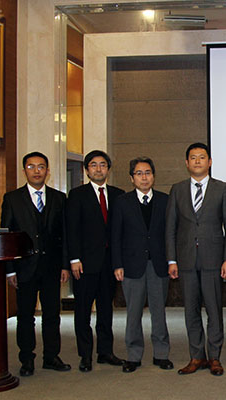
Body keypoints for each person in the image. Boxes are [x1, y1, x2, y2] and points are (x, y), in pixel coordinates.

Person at [166, 142, 226, 376]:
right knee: (191, 311)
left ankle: (214, 357)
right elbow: (170, 228)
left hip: (213, 260)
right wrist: (171, 260)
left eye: (202, 157)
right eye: (193, 158)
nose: (197, 161)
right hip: (185, 260)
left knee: (214, 310)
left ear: (210, 162)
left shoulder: (222, 189)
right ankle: (196, 356)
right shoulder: (177, 189)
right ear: (187, 163)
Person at [1, 152, 71, 376]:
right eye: (31, 167)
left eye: (41, 167)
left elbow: (64, 235)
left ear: (47, 171)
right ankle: (27, 360)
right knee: (25, 317)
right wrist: (9, 271)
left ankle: (51, 357)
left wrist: (65, 265)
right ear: (24, 171)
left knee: (52, 315)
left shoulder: (59, 198)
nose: (37, 171)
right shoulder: (12, 199)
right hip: (25, 268)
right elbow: (7, 236)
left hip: (52, 267)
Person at [111, 157, 172, 373]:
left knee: (159, 311)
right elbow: (115, 236)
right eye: (139, 173)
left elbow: (170, 234)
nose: (144, 177)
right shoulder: (122, 202)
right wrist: (117, 264)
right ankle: (134, 355)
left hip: (159, 265)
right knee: (133, 312)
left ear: (153, 176)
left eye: (147, 173)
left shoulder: (165, 200)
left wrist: (172, 261)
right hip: (131, 265)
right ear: (132, 178)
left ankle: (161, 354)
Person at [66, 150, 125, 372]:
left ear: (108, 169)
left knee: (105, 310)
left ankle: (105, 352)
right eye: (93, 165)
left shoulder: (118, 195)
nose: (98, 169)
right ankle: (85, 355)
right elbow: (71, 229)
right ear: (87, 170)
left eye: (102, 165)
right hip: (84, 263)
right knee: (83, 311)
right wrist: (74, 259)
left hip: (109, 264)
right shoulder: (77, 195)